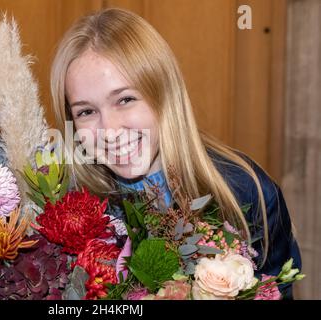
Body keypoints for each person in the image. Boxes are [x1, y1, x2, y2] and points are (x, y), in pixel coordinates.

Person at [49, 8, 301, 298]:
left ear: (163, 93)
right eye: (87, 111)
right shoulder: (68, 210)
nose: (109, 129)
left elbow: (278, 288)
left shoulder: (245, 189)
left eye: (125, 99)